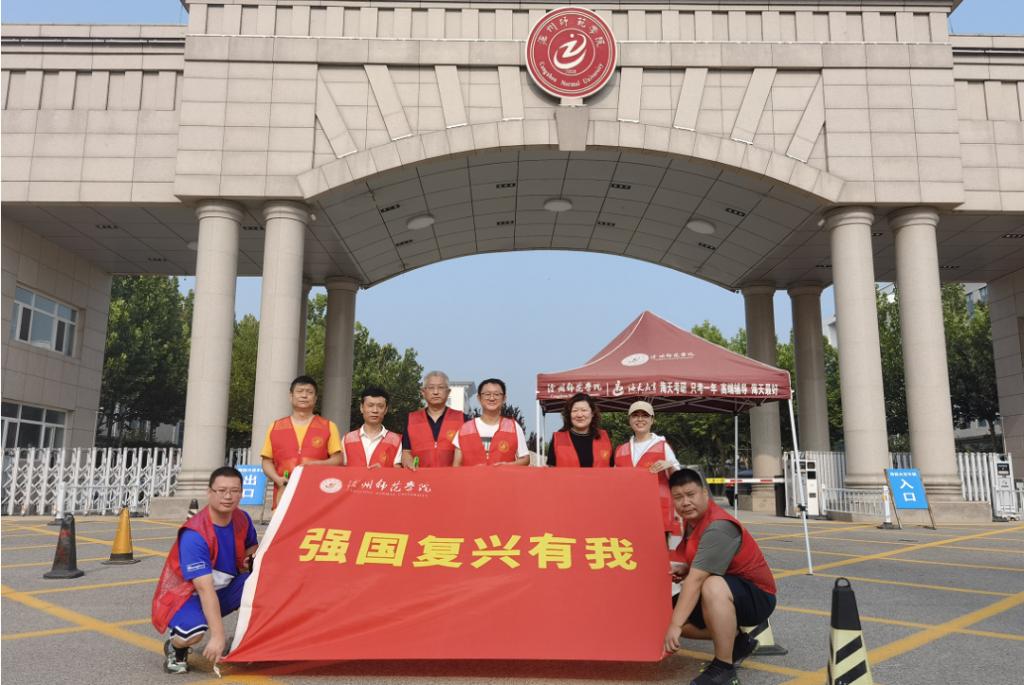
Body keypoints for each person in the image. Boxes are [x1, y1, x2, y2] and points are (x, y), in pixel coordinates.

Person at [663, 469, 777, 685]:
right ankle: (739, 642)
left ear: (705, 494)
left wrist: (676, 626)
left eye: (691, 494)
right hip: (728, 589)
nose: (685, 502)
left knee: (710, 585)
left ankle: (723, 668)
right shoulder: (692, 522)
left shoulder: (719, 526)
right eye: (678, 497)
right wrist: (687, 568)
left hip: (757, 597)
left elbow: (697, 580)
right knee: (664, 615)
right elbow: (704, 564)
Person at [152, 466, 259, 674]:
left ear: (241, 493)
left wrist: (249, 559)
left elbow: (252, 547)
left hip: (223, 588)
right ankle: (175, 647)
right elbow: (204, 589)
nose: (228, 496)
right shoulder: (195, 534)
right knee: (192, 633)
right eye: (221, 491)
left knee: (262, 582)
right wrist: (217, 636)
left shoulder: (242, 519)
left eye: (234, 491)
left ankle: (246, 640)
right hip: (186, 596)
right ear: (209, 493)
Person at [260, 375, 343, 508]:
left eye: (309, 392)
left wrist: (315, 464)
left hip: (317, 494)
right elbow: (266, 461)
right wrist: (278, 479)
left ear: (315, 398)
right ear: (291, 396)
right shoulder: (275, 427)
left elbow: (338, 459)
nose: (304, 395)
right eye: (299, 391)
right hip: (283, 494)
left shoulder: (328, 426)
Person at [613, 401, 681, 535]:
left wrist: (670, 465)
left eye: (645, 415)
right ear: (629, 420)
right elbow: (613, 482)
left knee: (657, 547)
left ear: (652, 420)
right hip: (627, 512)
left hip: (657, 511)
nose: (640, 419)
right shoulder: (621, 449)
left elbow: (679, 479)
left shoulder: (663, 446)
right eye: (635, 415)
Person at [452, 378, 530, 466]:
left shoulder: (513, 427)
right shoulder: (465, 428)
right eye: (487, 394)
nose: (492, 398)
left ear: (504, 398)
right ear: (479, 398)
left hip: (503, 475)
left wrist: (507, 466)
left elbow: (525, 459)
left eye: (496, 394)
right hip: (472, 475)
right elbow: (456, 465)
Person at [401, 371, 469, 470]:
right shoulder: (411, 419)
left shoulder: (463, 419)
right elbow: (406, 452)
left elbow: (471, 453)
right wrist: (408, 462)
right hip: (420, 477)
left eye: (441, 387)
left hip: (454, 477)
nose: (436, 392)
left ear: (448, 392)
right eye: (431, 387)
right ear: (423, 392)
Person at [547, 392, 613, 467]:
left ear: (592, 413)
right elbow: (551, 470)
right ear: (569, 414)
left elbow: (612, 468)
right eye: (575, 411)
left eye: (584, 410)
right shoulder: (558, 439)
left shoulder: (604, 437)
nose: (579, 415)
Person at [344, 386, 403, 468]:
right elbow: (339, 470)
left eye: (380, 406)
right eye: (370, 405)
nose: (375, 410)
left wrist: (383, 472)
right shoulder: (347, 439)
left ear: (386, 410)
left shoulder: (396, 440)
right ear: (361, 408)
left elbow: (399, 472)